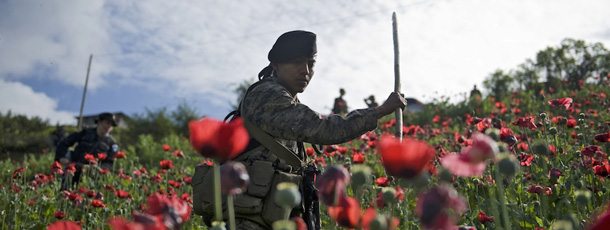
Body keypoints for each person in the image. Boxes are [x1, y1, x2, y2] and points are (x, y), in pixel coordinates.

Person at [226, 30, 406, 230]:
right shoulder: (267, 95)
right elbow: (325, 130)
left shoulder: (286, 98)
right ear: (276, 65)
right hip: (249, 219)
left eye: (310, 64)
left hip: (269, 214)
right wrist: (380, 111)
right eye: (296, 62)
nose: (305, 70)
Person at [55, 112, 119, 190]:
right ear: (99, 122)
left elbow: (109, 162)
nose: (109, 126)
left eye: (111, 125)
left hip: (92, 175)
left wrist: (98, 168)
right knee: (65, 190)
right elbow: (64, 143)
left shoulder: (112, 143)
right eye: (107, 123)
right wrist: (61, 157)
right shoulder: (85, 133)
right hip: (74, 168)